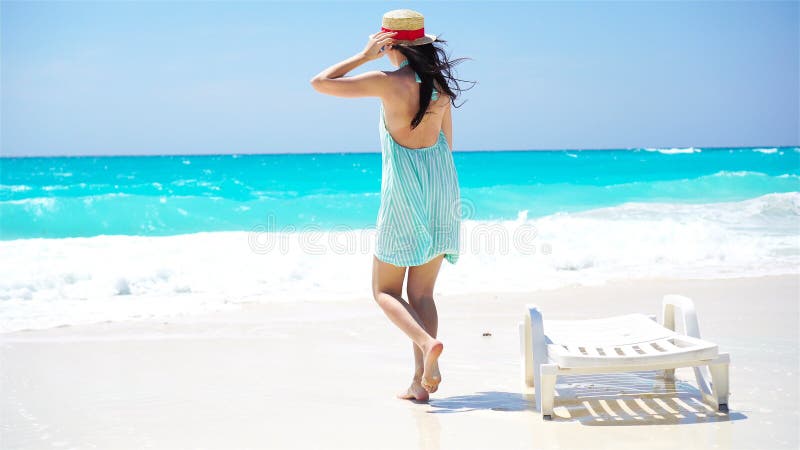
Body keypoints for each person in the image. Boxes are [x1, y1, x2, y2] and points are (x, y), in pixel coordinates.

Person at [310, 9, 473, 402]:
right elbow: (446, 145)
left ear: (390, 44)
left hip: (404, 193)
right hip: (442, 189)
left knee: (383, 292)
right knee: (422, 294)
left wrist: (364, 56)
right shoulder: (441, 88)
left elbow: (320, 83)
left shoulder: (387, 83)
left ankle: (427, 343)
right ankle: (420, 384)